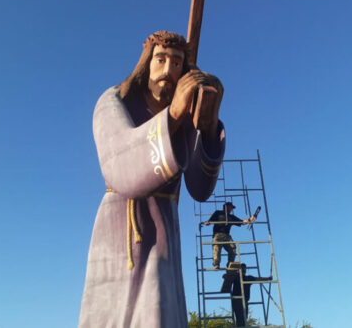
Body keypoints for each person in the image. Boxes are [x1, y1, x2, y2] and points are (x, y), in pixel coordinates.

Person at [78, 31, 227, 328]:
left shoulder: (186, 116)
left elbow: (200, 187)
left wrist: (208, 126)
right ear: (147, 63)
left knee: (159, 309)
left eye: (176, 63)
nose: (168, 70)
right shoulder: (113, 101)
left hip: (163, 233)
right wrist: (171, 116)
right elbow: (119, 166)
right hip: (119, 232)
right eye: (161, 59)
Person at [204, 202, 255, 269]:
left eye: (231, 208)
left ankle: (230, 264)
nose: (231, 209)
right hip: (218, 234)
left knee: (232, 247)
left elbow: (242, 222)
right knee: (216, 247)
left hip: (227, 235)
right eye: (230, 207)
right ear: (226, 207)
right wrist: (208, 222)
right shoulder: (218, 213)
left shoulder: (231, 217)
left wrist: (250, 219)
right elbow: (210, 220)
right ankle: (216, 264)